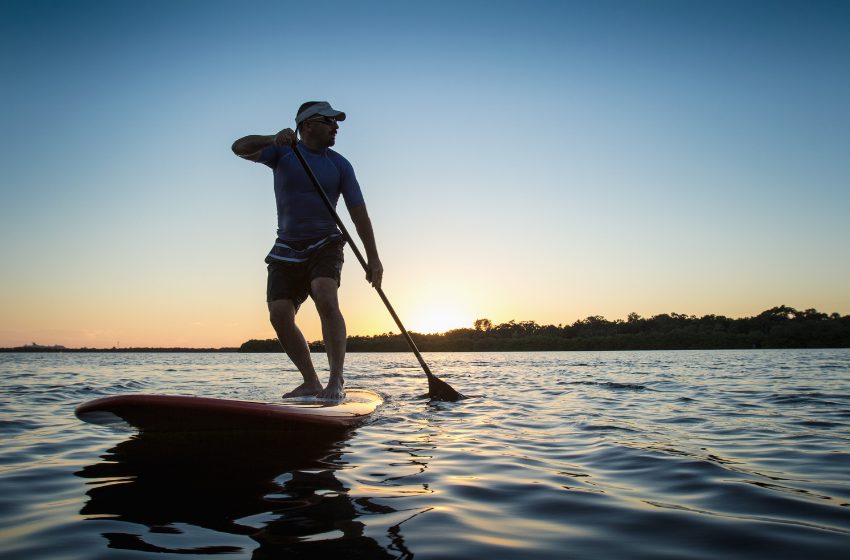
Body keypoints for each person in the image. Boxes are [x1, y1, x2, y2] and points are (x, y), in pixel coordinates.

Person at [231, 102, 383, 399]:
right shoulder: (282, 152)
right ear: (308, 124)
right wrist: (272, 139)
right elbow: (238, 147)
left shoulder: (340, 164)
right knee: (279, 314)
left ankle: (336, 380)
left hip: (325, 242)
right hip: (285, 246)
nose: (336, 127)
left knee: (325, 296)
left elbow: (359, 215)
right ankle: (311, 380)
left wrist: (373, 258)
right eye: (330, 121)